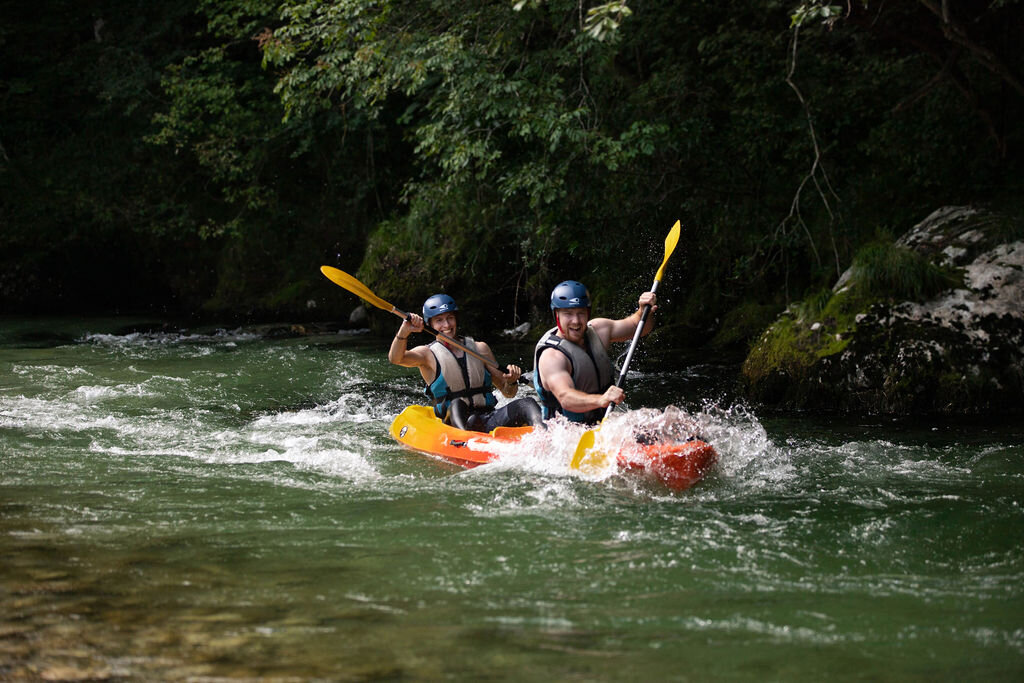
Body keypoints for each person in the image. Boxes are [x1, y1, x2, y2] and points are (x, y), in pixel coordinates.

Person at [389, 294, 544, 432]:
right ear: (430, 325)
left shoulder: (480, 348)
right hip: (453, 423)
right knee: (456, 403)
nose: (447, 325)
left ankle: (544, 434)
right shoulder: (426, 354)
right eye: (439, 320)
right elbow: (396, 358)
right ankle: (464, 441)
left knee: (527, 403)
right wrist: (404, 331)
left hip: (487, 418)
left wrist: (511, 382)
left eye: (450, 318)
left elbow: (508, 393)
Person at [533, 280, 657, 424]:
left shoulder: (599, 330)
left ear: (588, 312)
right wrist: (601, 399)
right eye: (568, 314)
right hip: (566, 432)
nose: (576, 321)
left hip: (603, 422)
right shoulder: (552, 356)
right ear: (557, 315)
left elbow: (638, 327)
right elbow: (565, 397)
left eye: (581, 313)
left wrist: (644, 311)